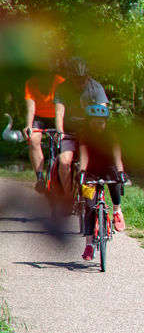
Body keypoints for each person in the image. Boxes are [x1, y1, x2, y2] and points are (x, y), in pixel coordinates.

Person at [76, 102, 127, 262]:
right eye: (94, 123)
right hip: (90, 170)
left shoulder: (112, 136)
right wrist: (82, 173)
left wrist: (121, 172)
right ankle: (89, 245)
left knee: (115, 182)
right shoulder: (84, 136)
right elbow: (84, 156)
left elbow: (117, 157)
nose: (98, 126)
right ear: (89, 123)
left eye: (101, 123)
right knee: (90, 206)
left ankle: (117, 211)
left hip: (108, 168)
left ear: (106, 123)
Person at [53, 57, 108, 197]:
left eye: (83, 79)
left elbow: (102, 113)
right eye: (77, 79)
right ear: (70, 77)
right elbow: (59, 113)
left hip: (89, 131)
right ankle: (68, 196)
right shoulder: (62, 88)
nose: (80, 82)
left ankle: (93, 196)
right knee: (64, 162)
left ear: (88, 76)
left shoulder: (96, 88)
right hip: (69, 131)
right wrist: (60, 132)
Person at [22, 68, 65, 185]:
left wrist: (60, 129)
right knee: (34, 139)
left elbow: (60, 110)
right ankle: (40, 177)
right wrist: (29, 126)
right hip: (39, 116)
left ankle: (60, 176)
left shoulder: (60, 82)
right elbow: (31, 109)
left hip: (57, 116)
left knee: (60, 139)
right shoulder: (30, 83)